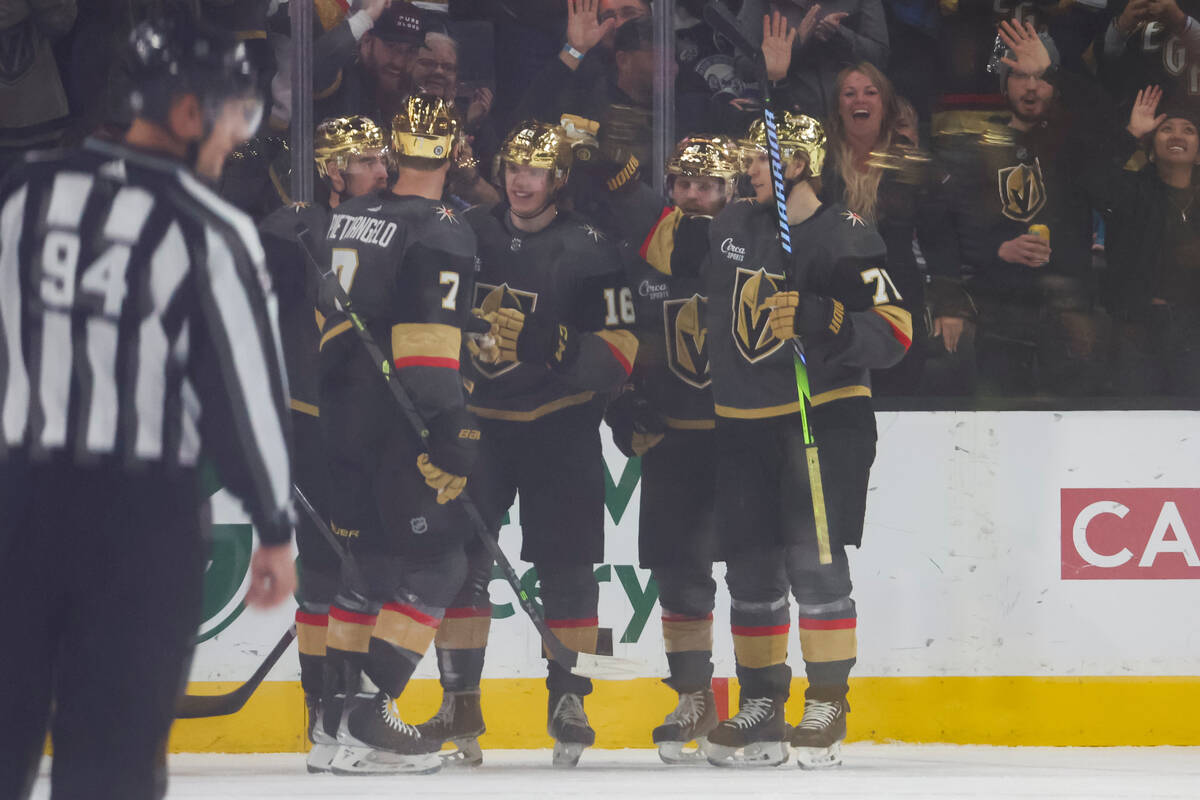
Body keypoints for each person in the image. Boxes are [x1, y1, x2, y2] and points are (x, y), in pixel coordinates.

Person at [0, 12, 296, 800]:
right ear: (188, 111)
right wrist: (272, 523)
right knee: (114, 754)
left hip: (15, 499)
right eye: (234, 115)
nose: (238, 137)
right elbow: (244, 390)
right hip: (134, 522)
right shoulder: (211, 228)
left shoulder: (21, 194)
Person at [417, 120, 638, 769]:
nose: (521, 179)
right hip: (478, 426)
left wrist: (556, 345)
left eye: (536, 170)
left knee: (572, 571)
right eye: (513, 165)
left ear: (560, 180)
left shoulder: (594, 249)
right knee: (459, 567)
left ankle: (572, 695)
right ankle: (459, 700)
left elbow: (623, 354)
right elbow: (430, 319)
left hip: (560, 425)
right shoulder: (467, 234)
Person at [702, 113, 911, 768]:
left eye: (762, 162)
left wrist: (826, 316)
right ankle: (762, 701)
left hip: (819, 417)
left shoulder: (848, 237)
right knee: (751, 571)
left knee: (816, 565)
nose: (749, 173)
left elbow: (897, 333)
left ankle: (827, 699)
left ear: (796, 164)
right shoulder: (732, 224)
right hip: (741, 422)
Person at [313, 94, 481, 776]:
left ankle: (333, 726)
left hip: (340, 415)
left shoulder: (349, 215)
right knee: (439, 564)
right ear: (452, 150)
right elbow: (426, 349)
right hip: (397, 419)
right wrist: (452, 428)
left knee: (367, 569)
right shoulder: (441, 228)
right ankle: (370, 712)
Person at [256, 115, 388, 773]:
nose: (381, 170)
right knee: (327, 566)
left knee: (368, 564)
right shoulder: (289, 230)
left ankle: (353, 706)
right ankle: (324, 709)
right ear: (334, 170)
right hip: (309, 416)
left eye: (381, 158)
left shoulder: (395, 226)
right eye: (367, 160)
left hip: (373, 420)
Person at [603, 135, 739, 763]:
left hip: (746, 439)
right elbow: (617, 343)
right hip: (674, 443)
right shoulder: (639, 263)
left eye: (706, 186)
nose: (692, 196)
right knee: (680, 576)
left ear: (731, 192)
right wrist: (621, 401)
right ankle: (694, 697)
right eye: (683, 184)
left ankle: (760, 702)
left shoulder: (754, 254)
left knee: (759, 574)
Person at [943, 21, 1113, 398]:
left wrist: (1058, 72)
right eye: (1020, 76)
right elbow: (951, 227)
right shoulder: (979, 147)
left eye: (1041, 76)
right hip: (1001, 315)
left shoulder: (1074, 143)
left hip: (1069, 315)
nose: (1032, 86)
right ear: (1004, 85)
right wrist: (996, 249)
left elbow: (1107, 117)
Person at [821, 62, 962, 395]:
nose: (861, 100)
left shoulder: (910, 163)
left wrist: (949, 305)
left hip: (896, 295)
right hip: (831, 296)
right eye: (850, 93)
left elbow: (939, 238)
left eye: (871, 92)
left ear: (884, 105)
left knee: (898, 391)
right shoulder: (818, 160)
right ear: (837, 106)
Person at [1093, 86, 1200, 395]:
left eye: (1189, 130)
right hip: (1137, 331)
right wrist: (1131, 134)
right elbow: (1092, 180)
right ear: (1151, 147)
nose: (1177, 136)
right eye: (1166, 129)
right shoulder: (1130, 191)